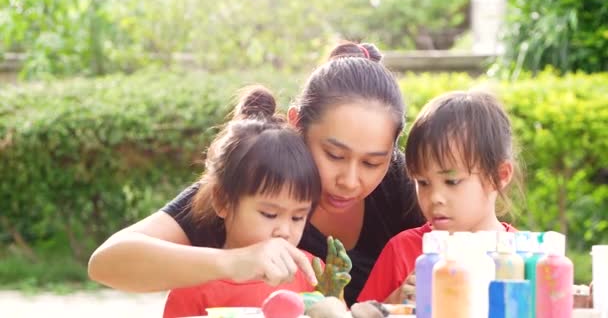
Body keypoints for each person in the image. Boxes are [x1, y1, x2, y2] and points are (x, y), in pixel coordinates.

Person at [88, 41, 425, 306]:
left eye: (371, 163)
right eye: (334, 154)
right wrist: (235, 262)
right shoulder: (255, 177)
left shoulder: (400, 184)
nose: (351, 180)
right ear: (296, 123)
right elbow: (107, 262)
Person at [161, 86, 322, 317]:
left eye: (298, 217)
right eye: (269, 214)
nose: (285, 231)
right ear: (222, 201)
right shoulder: (193, 284)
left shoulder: (312, 274)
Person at [358, 90, 523, 303]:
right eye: (423, 182)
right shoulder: (403, 250)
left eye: (452, 182)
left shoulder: (523, 258)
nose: (435, 197)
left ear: (499, 176)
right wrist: (395, 302)